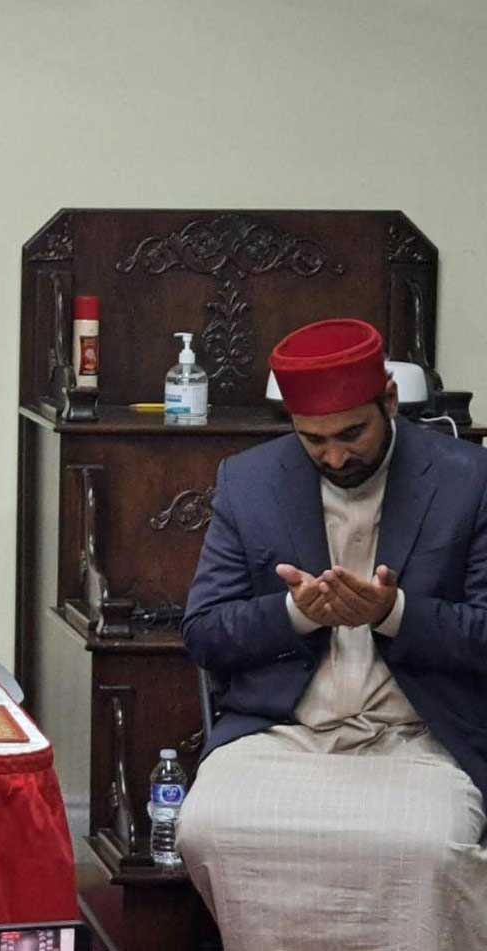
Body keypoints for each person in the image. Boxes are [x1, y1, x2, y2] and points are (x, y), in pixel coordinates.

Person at [179, 318, 487, 949]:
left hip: (419, 736)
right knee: (208, 828)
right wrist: (297, 614)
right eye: (314, 439)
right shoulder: (250, 480)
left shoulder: (468, 478)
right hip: (283, 732)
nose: (336, 456)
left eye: (353, 433)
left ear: (391, 404)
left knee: (428, 846)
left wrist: (393, 612)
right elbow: (205, 632)